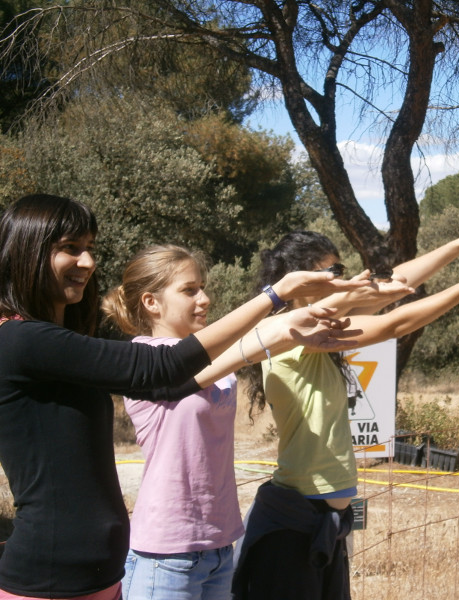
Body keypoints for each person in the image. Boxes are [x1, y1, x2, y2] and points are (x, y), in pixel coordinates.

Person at [0, 195, 366, 600]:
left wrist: (276, 334)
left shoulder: (59, 345)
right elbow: (163, 368)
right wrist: (273, 299)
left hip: (98, 575)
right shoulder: (20, 340)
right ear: (28, 249)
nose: (87, 262)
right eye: (70, 248)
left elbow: (173, 382)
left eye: (91, 249)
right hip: (51, 579)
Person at [231, 229, 459, 600]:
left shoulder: (323, 328)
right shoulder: (287, 333)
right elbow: (395, 323)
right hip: (293, 526)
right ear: (302, 278)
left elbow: (398, 282)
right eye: (334, 271)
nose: (342, 278)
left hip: (324, 522)